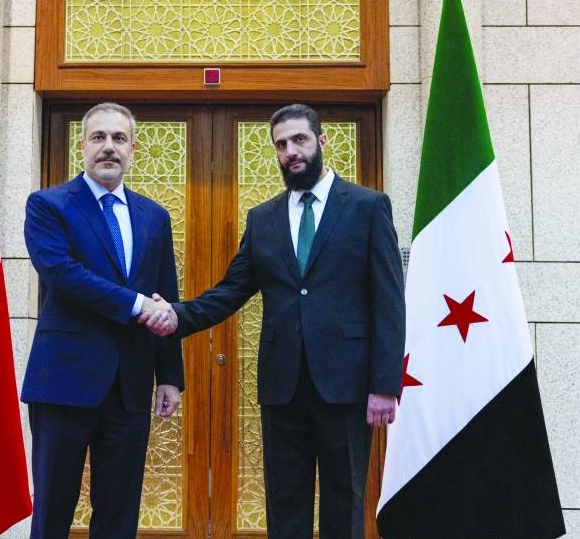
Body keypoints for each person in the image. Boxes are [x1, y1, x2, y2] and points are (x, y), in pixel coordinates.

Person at [143, 103, 405, 539]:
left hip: (347, 385)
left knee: (344, 498)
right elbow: (232, 290)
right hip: (283, 385)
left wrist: (385, 383)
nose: (291, 152)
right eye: (281, 145)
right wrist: (177, 315)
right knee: (284, 501)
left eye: (299, 140)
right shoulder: (263, 218)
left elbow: (389, 301)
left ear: (321, 141)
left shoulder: (368, 206)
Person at [21, 102, 184, 539]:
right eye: (98, 137)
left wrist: (170, 376)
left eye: (118, 138)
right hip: (63, 382)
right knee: (53, 509)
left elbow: (164, 296)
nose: (108, 147)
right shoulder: (48, 205)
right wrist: (137, 305)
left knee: (118, 512)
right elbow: (62, 275)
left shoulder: (155, 216)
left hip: (130, 384)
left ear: (133, 149)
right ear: (82, 146)